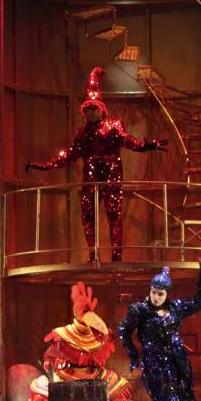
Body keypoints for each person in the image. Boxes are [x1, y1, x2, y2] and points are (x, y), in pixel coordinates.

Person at [26, 66, 168, 262]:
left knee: (113, 215)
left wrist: (147, 146)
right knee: (88, 216)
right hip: (91, 179)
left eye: (94, 108)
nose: (91, 112)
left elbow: (130, 142)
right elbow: (69, 155)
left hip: (111, 176)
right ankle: (93, 255)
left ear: (101, 109)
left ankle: (116, 256)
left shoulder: (114, 126)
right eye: (88, 109)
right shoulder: (82, 132)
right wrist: (46, 165)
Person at [118, 262, 201, 401]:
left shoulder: (175, 308)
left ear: (167, 294)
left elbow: (198, 303)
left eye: (160, 294)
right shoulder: (140, 310)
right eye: (153, 292)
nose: (156, 297)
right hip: (154, 364)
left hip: (177, 362)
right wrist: (133, 353)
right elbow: (123, 330)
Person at [33, 283, 132, 401]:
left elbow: (102, 343)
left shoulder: (96, 334)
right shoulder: (65, 334)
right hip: (69, 379)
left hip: (91, 378)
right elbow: (52, 356)